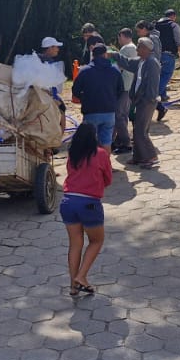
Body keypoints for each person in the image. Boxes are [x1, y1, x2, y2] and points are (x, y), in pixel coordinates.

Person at [60, 122, 113, 298]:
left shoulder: (72, 154)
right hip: (89, 203)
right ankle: (82, 276)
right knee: (96, 241)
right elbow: (108, 179)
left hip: (68, 202)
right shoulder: (100, 154)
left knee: (75, 244)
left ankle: (73, 286)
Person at [72, 43, 122, 148]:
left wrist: (84, 99)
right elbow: (120, 90)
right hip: (109, 111)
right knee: (106, 142)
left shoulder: (84, 71)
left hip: (91, 111)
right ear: (105, 54)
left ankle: (91, 164)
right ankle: (105, 164)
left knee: (89, 143)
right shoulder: (115, 70)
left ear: (93, 55)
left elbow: (75, 91)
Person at [129, 37, 161, 169]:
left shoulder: (152, 63)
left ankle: (150, 156)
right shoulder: (141, 61)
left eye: (139, 47)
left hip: (147, 101)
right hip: (139, 99)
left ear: (146, 49)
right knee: (137, 129)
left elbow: (153, 85)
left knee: (141, 130)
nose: (136, 49)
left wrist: (148, 99)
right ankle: (138, 156)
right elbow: (127, 63)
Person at [153, 9, 180, 112]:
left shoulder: (156, 25)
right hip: (168, 54)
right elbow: (179, 42)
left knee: (160, 75)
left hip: (156, 55)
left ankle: (163, 96)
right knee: (166, 74)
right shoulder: (173, 25)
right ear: (173, 16)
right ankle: (155, 97)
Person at [111, 28, 137, 153]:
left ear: (122, 35)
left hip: (123, 86)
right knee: (124, 114)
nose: (119, 40)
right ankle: (119, 141)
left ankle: (125, 143)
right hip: (130, 85)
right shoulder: (135, 47)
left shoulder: (125, 49)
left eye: (119, 37)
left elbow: (118, 67)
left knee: (119, 115)